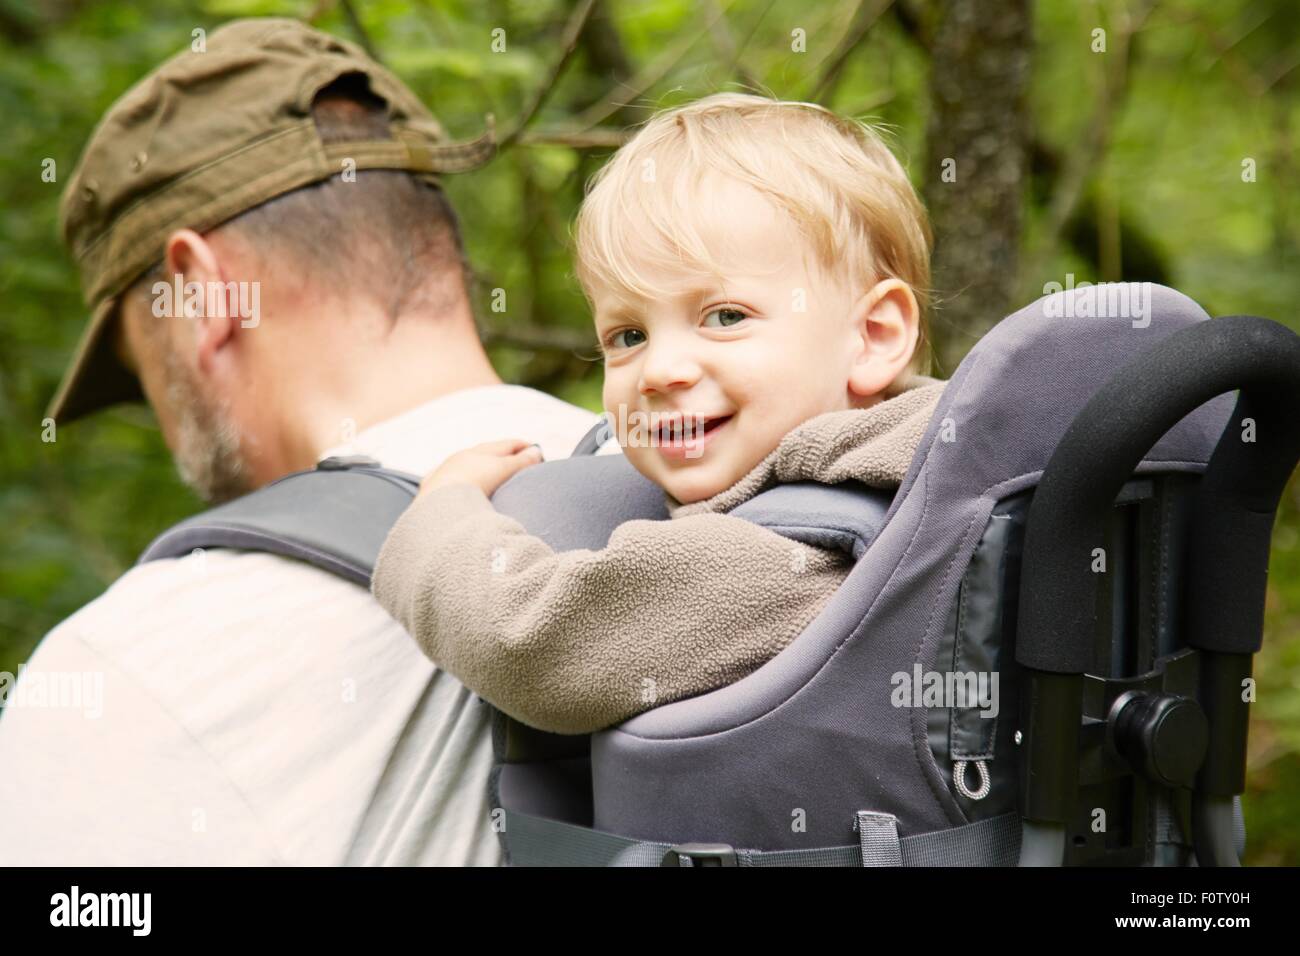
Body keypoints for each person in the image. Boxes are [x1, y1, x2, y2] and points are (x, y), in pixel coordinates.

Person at [0, 18, 600, 865]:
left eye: (144, 370)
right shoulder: (724, 479)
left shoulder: (119, 673)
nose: (167, 427)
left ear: (201, 298)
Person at [370, 94, 947, 734]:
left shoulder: (788, 552)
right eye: (627, 336)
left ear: (872, 335)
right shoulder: (934, 470)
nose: (659, 370)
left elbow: (534, 647)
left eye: (725, 317)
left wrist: (440, 516)